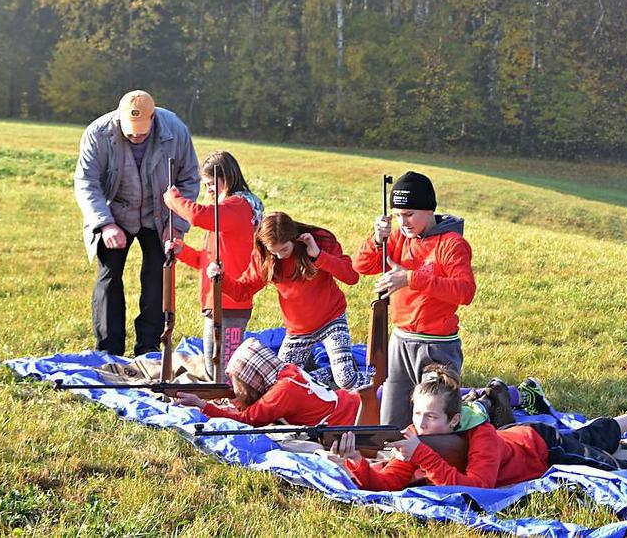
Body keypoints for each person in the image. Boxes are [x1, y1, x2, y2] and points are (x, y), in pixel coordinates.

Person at [329, 365, 627, 491]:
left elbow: (478, 486)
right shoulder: (419, 437)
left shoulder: (480, 436)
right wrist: (355, 464)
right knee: (590, 438)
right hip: (525, 443)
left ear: (453, 420)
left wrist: (420, 454)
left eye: (431, 418)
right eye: (417, 416)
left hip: (538, 447)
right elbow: (390, 481)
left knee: (611, 465)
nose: (420, 425)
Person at [74, 90, 199, 356]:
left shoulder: (176, 131)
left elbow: (189, 179)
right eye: (131, 130)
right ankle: (109, 349)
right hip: (114, 213)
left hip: (160, 214)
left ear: (154, 118)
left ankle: (149, 348)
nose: (135, 135)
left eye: (142, 131)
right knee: (109, 275)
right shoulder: (97, 133)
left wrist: (175, 224)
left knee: (157, 277)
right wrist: (105, 224)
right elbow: (86, 183)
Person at [352, 171, 476, 427]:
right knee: (391, 423)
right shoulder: (397, 237)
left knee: (436, 422)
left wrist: (410, 279)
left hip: (437, 345)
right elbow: (361, 265)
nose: (403, 222)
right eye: (397, 215)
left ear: (429, 210)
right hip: (400, 341)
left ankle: (488, 403)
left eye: (409, 214)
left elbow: (465, 291)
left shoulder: (451, 244)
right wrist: (377, 239)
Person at [210, 212, 368, 390]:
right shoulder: (265, 256)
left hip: (331, 320)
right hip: (298, 331)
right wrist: (220, 278)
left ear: (295, 239)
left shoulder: (321, 241)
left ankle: (381, 379)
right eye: (273, 251)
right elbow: (243, 291)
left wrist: (318, 255)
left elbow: (351, 276)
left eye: (284, 249)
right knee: (283, 385)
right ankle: (331, 373)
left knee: (346, 380)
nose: (279, 256)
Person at [164, 151, 264, 380]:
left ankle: (234, 401)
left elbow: (199, 216)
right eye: (205, 184)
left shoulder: (237, 206)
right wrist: (182, 251)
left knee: (223, 370)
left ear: (226, 179)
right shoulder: (225, 209)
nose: (208, 189)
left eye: (211, 183)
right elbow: (206, 259)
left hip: (231, 299)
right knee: (213, 364)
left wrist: (173, 200)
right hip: (215, 298)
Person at [175, 338, 360, 426]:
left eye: (238, 381)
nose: (234, 387)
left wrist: (202, 405)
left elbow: (247, 420)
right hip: (355, 403)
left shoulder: (282, 391)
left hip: (358, 417)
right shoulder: (288, 371)